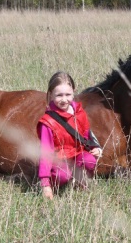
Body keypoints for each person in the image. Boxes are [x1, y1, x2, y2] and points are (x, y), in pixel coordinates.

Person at [37, 72, 102, 200]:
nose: (64, 99)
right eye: (59, 95)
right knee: (62, 176)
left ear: (74, 92)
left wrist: (96, 146)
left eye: (68, 94)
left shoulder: (79, 111)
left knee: (89, 161)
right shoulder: (47, 122)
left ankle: (80, 181)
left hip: (77, 153)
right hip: (59, 158)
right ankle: (57, 181)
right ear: (50, 95)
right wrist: (45, 184)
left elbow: (86, 133)